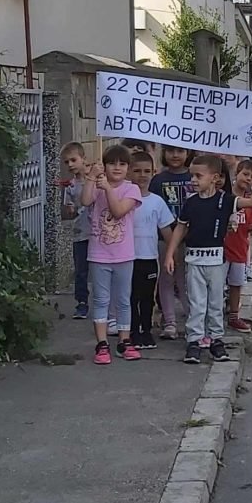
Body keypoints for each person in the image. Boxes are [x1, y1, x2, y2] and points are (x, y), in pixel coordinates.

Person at [164, 154, 252, 364]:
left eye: (198, 176)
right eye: (192, 176)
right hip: (194, 261)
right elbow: (181, 227)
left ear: (215, 178)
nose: (193, 180)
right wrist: (170, 253)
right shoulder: (191, 202)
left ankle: (216, 339)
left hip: (216, 262)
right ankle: (194, 340)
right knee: (196, 303)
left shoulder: (226, 200)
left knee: (215, 302)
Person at [81, 144, 143, 364]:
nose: (117, 168)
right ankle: (102, 343)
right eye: (111, 163)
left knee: (123, 300)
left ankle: (124, 341)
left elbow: (117, 212)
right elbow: (85, 201)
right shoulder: (98, 184)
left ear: (128, 168)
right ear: (104, 165)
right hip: (99, 254)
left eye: (122, 164)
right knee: (101, 299)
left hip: (124, 255)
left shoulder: (131, 190)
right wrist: (91, 177)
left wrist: (107, 188)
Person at [128, 151, 175, 350]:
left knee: (147, 297)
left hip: (149, 257)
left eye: (147, 171)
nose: (142, 175)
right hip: (127, 258)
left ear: (153, 172)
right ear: (129, 172)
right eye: (137, 171)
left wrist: (171, 254)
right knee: (131, 297)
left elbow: (167, 230)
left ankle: (146, 331)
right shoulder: (123, 199)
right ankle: (132, 332)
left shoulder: (157, 201)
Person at [151, 145, 193, 340]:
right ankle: (169, 322)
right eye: (170, 151)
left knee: (186, 282)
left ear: (188, 153)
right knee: (166, 279)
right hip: (163, 239)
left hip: (190, 240)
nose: (175, 155)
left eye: (180, 151)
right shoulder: (158, 180)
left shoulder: (194, 177)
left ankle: (193, 321)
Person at [224, 159, 252, 333]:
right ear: (236, 173)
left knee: (236, 284)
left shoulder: (250, 202)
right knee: (216, 285)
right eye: (245, 174)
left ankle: (234, 316)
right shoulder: (225, 195)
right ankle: (214, 315)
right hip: (223, 249)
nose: (248, 179)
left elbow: (247, 225)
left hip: (240, 249)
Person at [60, 142, 91, 320]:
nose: (70, 165)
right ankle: (82, 302)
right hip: (80, 233)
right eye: (66, 162)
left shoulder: (95, 179)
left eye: (73, 160)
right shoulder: (70, 186)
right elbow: (69, 210)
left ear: (83, 159)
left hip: (98, 233)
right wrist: (70, 209)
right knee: (80, 271)